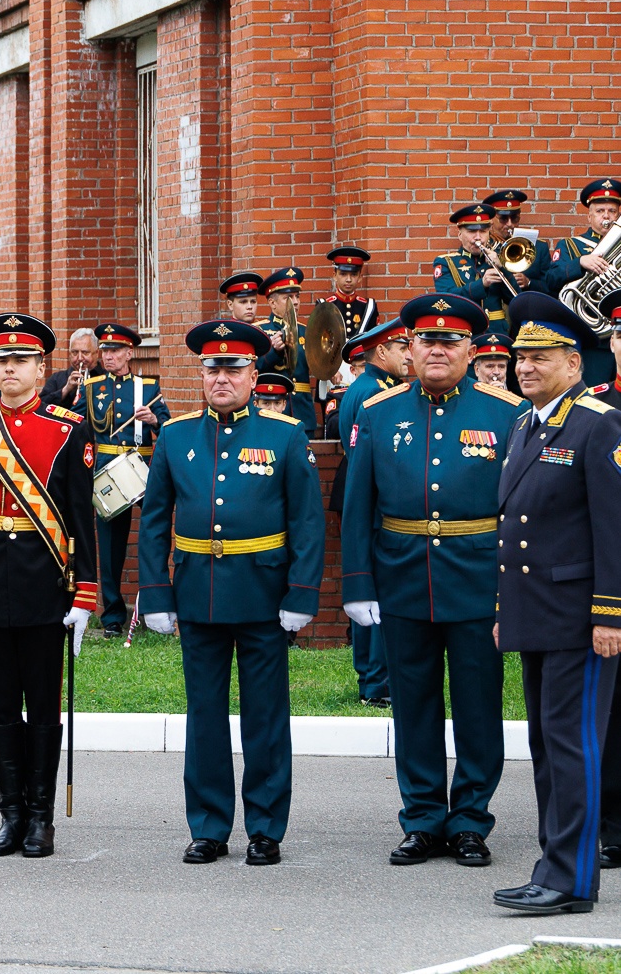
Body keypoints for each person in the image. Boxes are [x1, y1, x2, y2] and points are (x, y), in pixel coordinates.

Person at [341, 294, 523, 869]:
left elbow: (520, 511)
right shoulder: (379, 412)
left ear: (470, 350)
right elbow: (358, 505)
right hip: (402, 578)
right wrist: (358, 583)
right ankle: (421, 818)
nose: (437, 350)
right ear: (409, 348)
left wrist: (514, 589)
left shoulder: (508, 413)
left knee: (478, 705)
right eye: (426, 340)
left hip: (479, 580)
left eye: (450, 341)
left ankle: (469, 820)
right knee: (413, 705)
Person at [136, 320, 324, 866]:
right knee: (205, 717)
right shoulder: (175, 436)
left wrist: (301, 594)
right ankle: (208, 827)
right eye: (213, 369)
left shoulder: (284, 435)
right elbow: (154, 522)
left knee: (266, 717)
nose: (222, 378)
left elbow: (307, 523)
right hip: (198, 594)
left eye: (234, 369)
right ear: (202, 374)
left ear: (253, 376)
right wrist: (156, 594)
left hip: (264, 595)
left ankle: (265, 828)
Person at [0, 313, 98, 859]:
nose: (9, 369)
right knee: (1, 706)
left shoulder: (68, 429)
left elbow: (82, 518)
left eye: (21, 360)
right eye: (1, 360)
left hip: (45, 583)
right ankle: (10, 814)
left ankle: (40, 819)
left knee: (44, 707)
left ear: (40, 367)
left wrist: (86, 593)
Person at [492, 291, 621, 914]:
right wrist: (504, 608)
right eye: (521, 358)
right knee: (546, 745)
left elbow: (613, 527)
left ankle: (572, 880)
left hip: (579, 617)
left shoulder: (598, 424)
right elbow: (515, 526)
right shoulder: (526, 424)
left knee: (574, 746)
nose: (526, 368)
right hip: (534, 610)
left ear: (574, 363)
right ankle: (553, 864)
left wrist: (610, 612)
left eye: (540, 357)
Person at [331, 318, 410, 705]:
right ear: (382, 352)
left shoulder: (366, 387)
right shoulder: (376, 393)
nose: (409, 355)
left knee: (371, 599)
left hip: (370, 505)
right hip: (380, 509)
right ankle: (378, 684)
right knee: (380, 600)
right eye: (402, 348)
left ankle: (370, 676)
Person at [78, 323, 169, 637]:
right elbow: (77, 428)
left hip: (142, 468)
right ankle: (112, 616)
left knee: (154, 536)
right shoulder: (92, 387)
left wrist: (154, 420)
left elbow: (168, 427)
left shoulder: (148, 387)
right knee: (109, 546)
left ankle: (156, 608)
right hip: (106, 468)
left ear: (130, 353)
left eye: (115, 351)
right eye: (105, 351)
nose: (108, 356)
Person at [589, 292, 621, 870]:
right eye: (620, 333)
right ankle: (615, 825)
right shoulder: (594, 410)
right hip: (610, 577)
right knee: (613, 712)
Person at [540, 179, 621, 388]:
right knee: (593, 394)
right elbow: (550, 280)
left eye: (612, 211)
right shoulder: (571, 245)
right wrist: (580, 263)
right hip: (592, 339)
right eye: (600, 211)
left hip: (619, 330)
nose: (606, 216)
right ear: (589, 216)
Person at [434, 202, 515, 333]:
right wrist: (481, 284)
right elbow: (446, 299)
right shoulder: (446, 262)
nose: (478, 237)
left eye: (483, 231)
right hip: (466, 333)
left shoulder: (498, 259)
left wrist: (502, 268)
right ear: (460, 235)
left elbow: (516, 299)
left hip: (497, 333)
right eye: (472, 231)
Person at [255, 267, 316, 436]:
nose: (295, 302)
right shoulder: (260, 331)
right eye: (288, 298)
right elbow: (252, 370)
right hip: (271, 409)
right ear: (272, 303)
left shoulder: (307, 332)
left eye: (297, 296)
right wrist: (274, 352)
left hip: (302, 412)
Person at [41, 328, 100, 407]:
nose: (79, 358)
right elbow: (41, 406)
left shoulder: (106, 377)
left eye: (85, 352)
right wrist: (65, 390)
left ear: (97, 353)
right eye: (75, 352)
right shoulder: (56, 379)